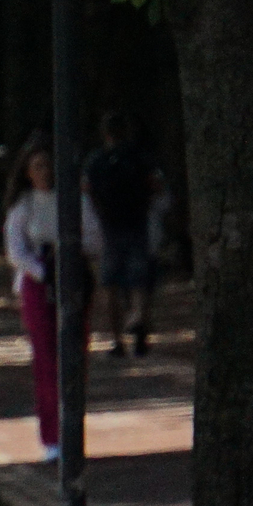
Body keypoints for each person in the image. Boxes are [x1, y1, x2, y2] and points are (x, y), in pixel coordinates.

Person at [2, 135, 103, 462]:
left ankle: (73, 430)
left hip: (73, 281)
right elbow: (16, 252)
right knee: (46, 360)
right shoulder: (24, 206)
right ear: (28, 172)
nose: (44, 172)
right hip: (38, 284)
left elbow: (94, 238)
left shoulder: (74, 200)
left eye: (48, 165)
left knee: (74, 357)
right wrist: (44, 271)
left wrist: (70, 258)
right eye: (38, 166)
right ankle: (51, 438)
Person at [84, 112, 163, 356]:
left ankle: (117, 341)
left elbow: (86, 189)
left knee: (110, 286)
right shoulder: (140, 156)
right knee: (139, 282)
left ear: (104, 133)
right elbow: (155, 184)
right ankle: (139, 327)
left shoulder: (96, 160)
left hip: (109, 228)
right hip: (137, 224)